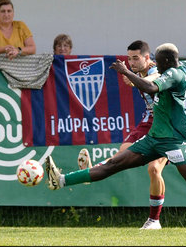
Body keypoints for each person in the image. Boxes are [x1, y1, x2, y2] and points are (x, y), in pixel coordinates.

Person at [45, 43, 186, 232]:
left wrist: (125, 71)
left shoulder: (173, 74)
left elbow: (150, 86)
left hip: (173, 141)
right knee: (113, 164)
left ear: (164, 61)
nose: (156, 63)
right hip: (154, 138)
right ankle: (60, 180)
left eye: (157, 60)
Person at [77, 40, 167, 230]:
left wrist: (133, 77)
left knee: (154, 170)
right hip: (147, 122)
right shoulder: (136, 73)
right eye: (129, 59)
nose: (132, 62)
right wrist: (133, 76)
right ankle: (90, 173)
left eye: (136, 58)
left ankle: (154, 220)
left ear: (147, 57)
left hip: (165, 126)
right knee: (121, 155)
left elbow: (156, 79)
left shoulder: (154, 70)